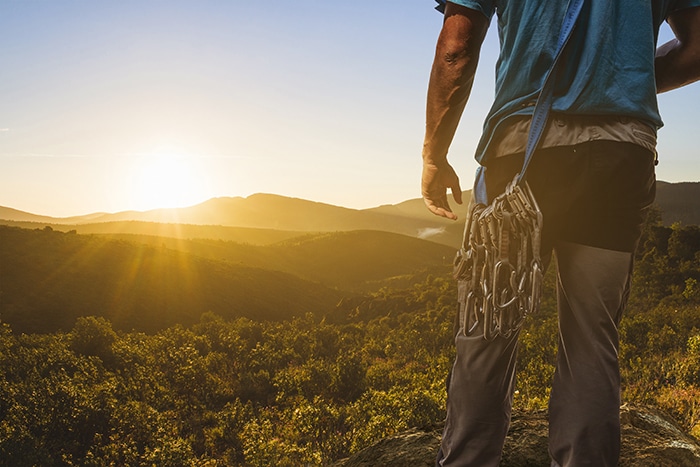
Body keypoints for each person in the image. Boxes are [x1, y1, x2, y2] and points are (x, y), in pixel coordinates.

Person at [421, 1, 700, 466]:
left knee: (487, 328)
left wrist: (434, 154)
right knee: (593, 337)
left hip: (521, 150)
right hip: (620, 154)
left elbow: (457, 49)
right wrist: (621, 76)